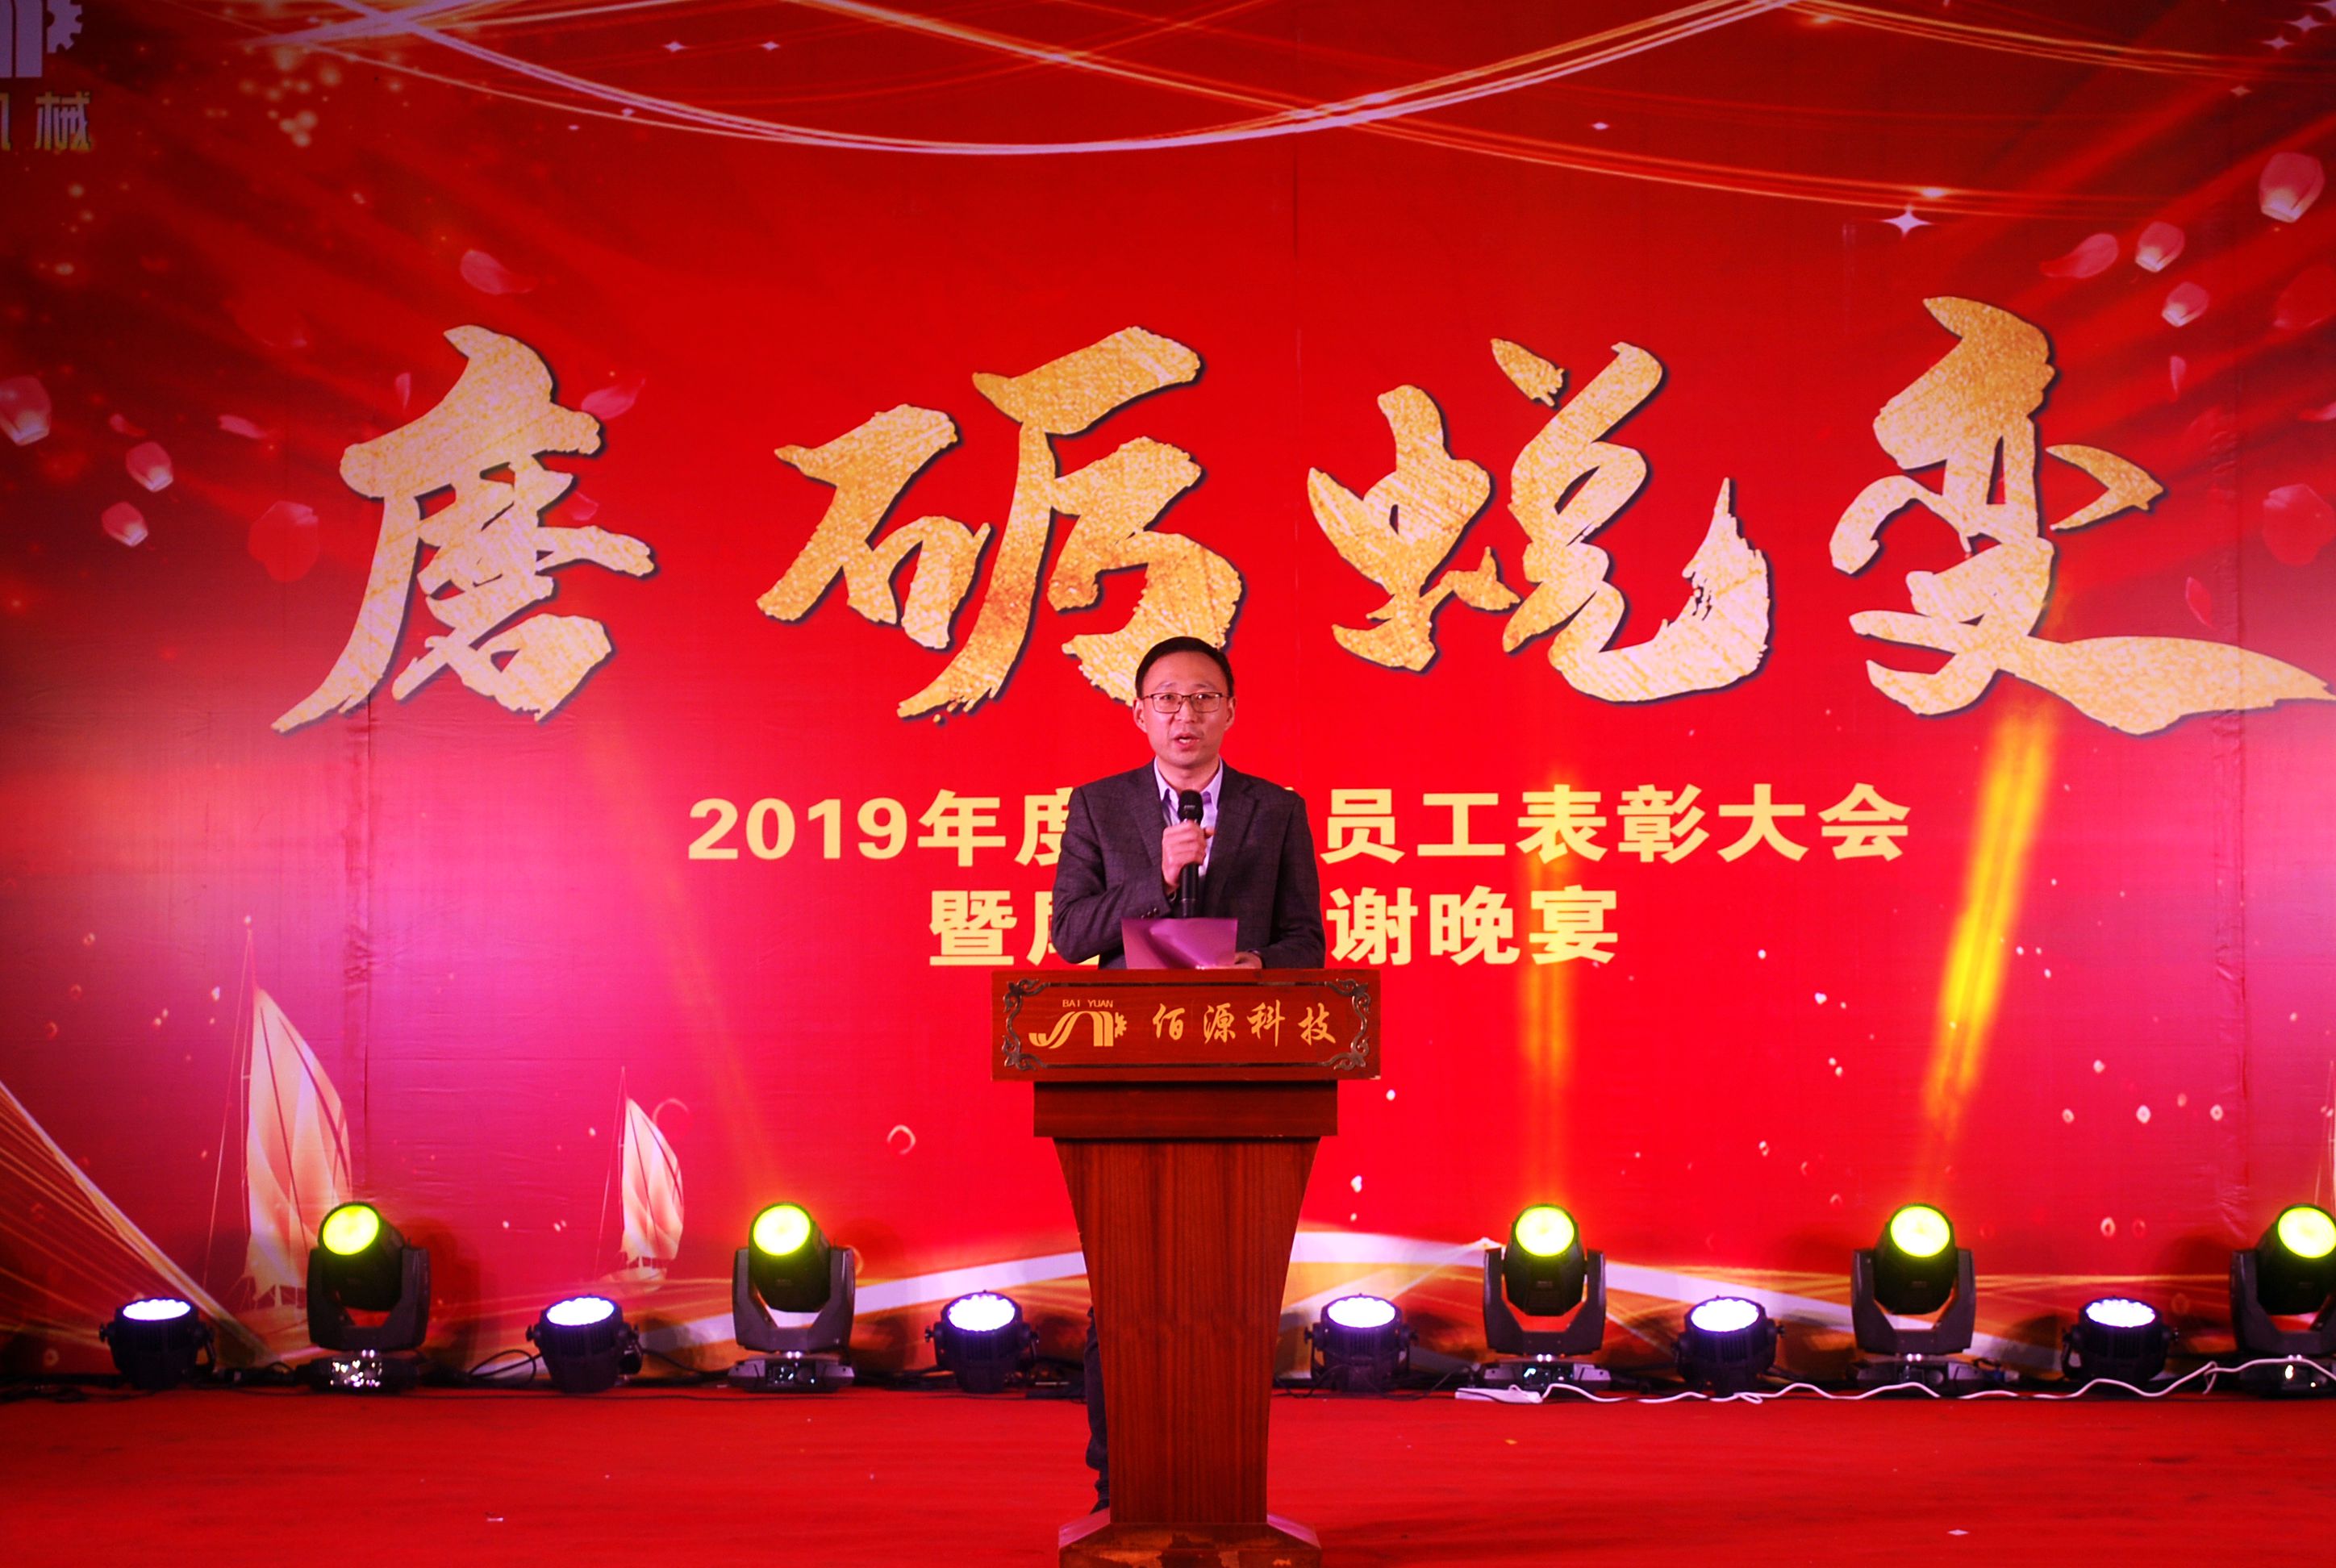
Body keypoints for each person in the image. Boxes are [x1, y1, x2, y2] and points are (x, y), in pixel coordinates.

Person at [1047, 636, 1328, 1511]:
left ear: (1230, 711)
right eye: (1167, 698)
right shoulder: (1099, 807)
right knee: (1125, 1291)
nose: (1185, 714)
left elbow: (1306, 941)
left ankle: (1224, 1485)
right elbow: (1071, 934)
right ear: (1139, 714)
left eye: (1203, 697)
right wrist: (1156, 878)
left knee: (1230, 1295)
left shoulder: (1276, 810)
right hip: (1130, 1079)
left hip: (1241, 1077)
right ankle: (1120, 1485)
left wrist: (1259, 963)